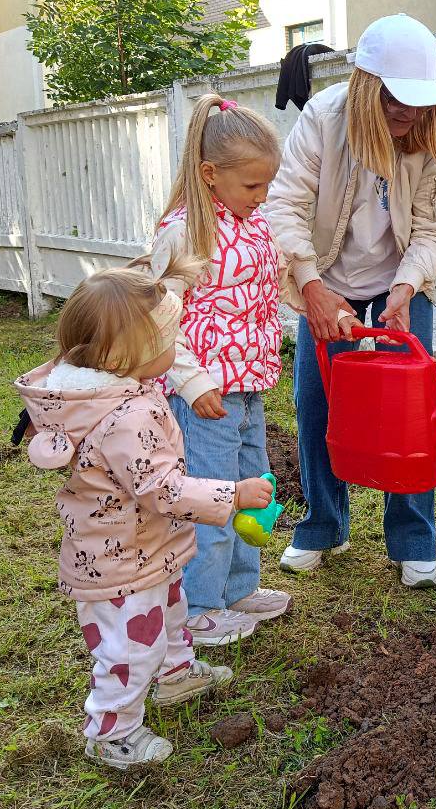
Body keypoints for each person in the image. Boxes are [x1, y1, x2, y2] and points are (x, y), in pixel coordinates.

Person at [15, 261, 275, 769]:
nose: (175, 347)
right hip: (123, 561)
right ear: (123, 353)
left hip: (140, 547)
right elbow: (162, 490)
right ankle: (112, 733)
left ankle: (175, 673)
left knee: (171, 613)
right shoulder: (126, 416)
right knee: (130, 649)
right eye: (167, 339)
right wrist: (234, 495)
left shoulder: (109, 387)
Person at [263, 13, 436, 589]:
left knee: (412, 415)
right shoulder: (324, 119)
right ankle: (324, 524)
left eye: (417, 102)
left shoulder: (431, 142)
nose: (406, 113)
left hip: (398, 280)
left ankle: (412, 537)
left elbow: (433, 233)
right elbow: (286, 206)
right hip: (327, 276)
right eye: (395, 100)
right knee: (317, 403)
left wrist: (405, 288)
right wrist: (312, 288)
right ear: (366, 85)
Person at [150, 94, 293, 647]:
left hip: (250, 384)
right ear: (210, 174)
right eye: (252, 186)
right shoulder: (185, 231)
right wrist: (192, 381)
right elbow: (162, 318)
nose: (261, 198)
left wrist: (316, 303)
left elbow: (270, 285)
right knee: (212, 497)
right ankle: (198, 607)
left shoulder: (253, 224)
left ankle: (238, 588)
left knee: (253, 489)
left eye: (266, 186)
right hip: (207, 394)